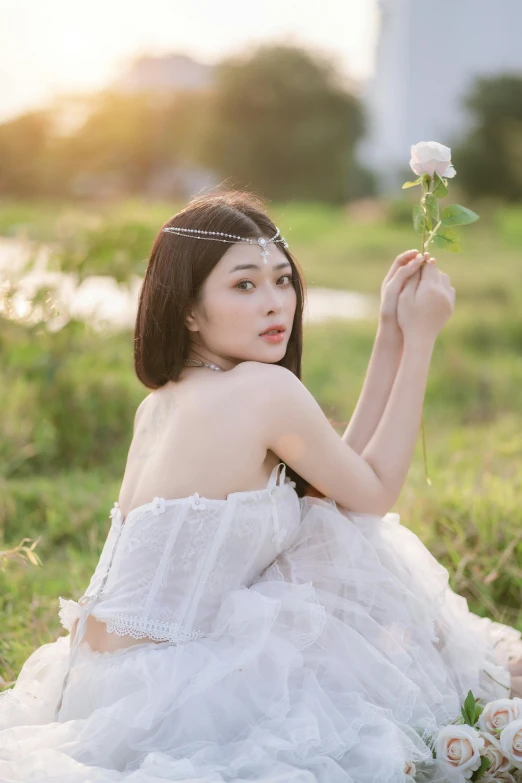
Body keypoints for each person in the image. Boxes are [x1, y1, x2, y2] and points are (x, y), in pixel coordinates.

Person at [1, 189, 521, 783]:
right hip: (177, 696)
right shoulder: (260, 390)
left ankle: (474, 672)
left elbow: (338, 482)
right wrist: (422, 340)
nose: (275, 303)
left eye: (283, 280)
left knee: (326, 528)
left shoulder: (163, 402)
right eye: (244, 285)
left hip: (96, 688)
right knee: (347, 539)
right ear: (187, 309)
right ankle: (472, 675)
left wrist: (388, 331)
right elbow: (373, 493)